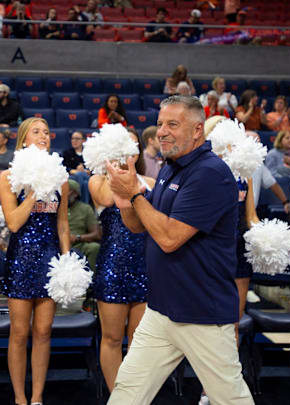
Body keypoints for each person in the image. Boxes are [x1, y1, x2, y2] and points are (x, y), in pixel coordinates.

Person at [104, 95, 253, 404]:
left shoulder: (210, 174)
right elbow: (140, 225)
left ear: (197, 130)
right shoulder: (172, 167)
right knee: (127, 393)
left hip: (202, 314)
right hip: (162, 311)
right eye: (160, 124)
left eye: (173, 124)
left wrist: (135, 195)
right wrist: (126, 202)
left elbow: (170, 238)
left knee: (230, 399)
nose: (162, 131)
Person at [0, 117, 71, 405]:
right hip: (20, 260)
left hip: (49, 261)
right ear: (23, 140)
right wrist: (33, 192)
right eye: (36, 131)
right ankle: (19, 397)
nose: (44, 135)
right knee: (19, 332)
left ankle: (37, 397)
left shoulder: (61, 178)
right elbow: (14, 223)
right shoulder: (7, 177)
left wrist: (66, 261)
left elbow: (62, 223)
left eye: (47, 131)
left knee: (43, 332)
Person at [88, 129, 154, 392]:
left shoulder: (149, 180)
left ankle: (136, 394)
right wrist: (113, 165)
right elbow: (106, 198)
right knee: (113, 338)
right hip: (112, 267)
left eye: (131, 145)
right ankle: (118, 397)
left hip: (145, 264)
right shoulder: (97, 181)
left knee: (139, 340)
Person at [246, 131, 290, 211]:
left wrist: (285, 202)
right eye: (255, 142)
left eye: (259, 142)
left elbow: (273, 184)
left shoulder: (258, 164)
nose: (259, 146)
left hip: (251, 212)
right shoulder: (232, 162)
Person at [67, 179, 100, 269]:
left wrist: (78, 237)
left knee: (94, 247)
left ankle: (92, 280)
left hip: (78, 244)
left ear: (75, 194)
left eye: (67, 191)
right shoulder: (56, 208)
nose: (63, 194)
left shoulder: (85, 208)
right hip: (58, 243)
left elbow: (97, 234)